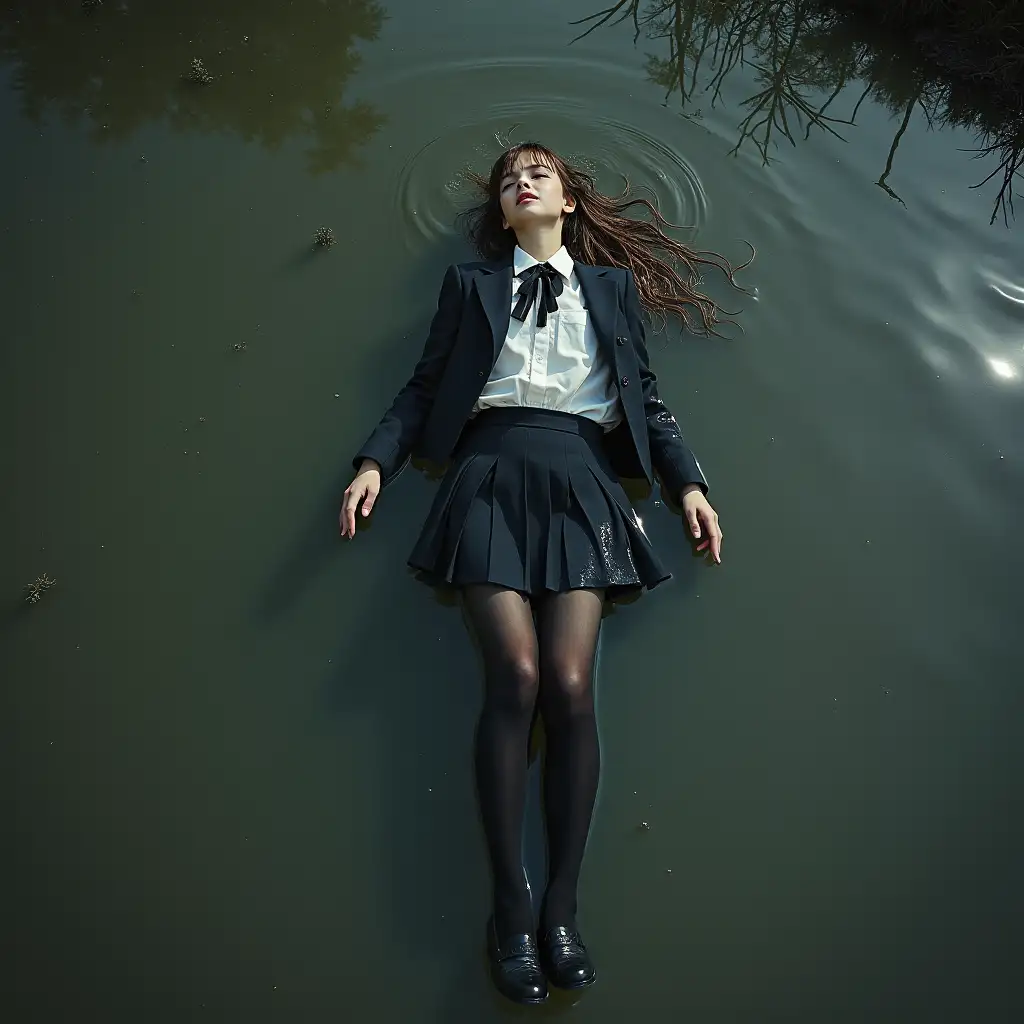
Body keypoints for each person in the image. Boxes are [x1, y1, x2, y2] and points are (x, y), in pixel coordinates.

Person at [339, 142, 744, 1005]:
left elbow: (647, 396)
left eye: (538, 172)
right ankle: (510, 905)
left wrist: (690, 486)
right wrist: (375, 460)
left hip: (586, 484)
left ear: (565, 199)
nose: (521, 182)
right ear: (502, 210)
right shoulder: (468, 285)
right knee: (515, 676)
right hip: (487, 472)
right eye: (507, 178)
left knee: (569, 684)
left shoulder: (612, 291)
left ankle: (561, 906)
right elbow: (421, 388)